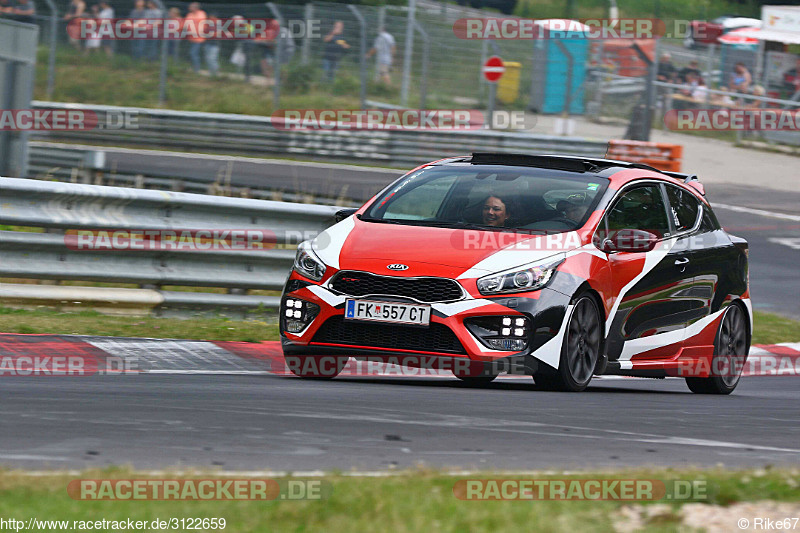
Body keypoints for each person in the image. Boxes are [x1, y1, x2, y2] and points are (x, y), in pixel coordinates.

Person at [184, 2, 207, 73]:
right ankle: (194, 68)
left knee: (193, 53)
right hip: (190, 38)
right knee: (192, 54)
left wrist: (194, 31)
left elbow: (201, 26)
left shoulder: (201, 14)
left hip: (198, 39)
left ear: (195, 8)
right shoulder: (189, 15)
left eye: (191, 7)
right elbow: (186, 25)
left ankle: (197, 69)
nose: (189, 8)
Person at [204, 12, 221, 77]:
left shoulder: (218, 24)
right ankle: (211, 73)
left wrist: (211, 34)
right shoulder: (208, 24)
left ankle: (216, 72)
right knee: (208, 59)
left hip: (215, 44)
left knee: (212, 58)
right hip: (207, 43)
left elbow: (219, 33)